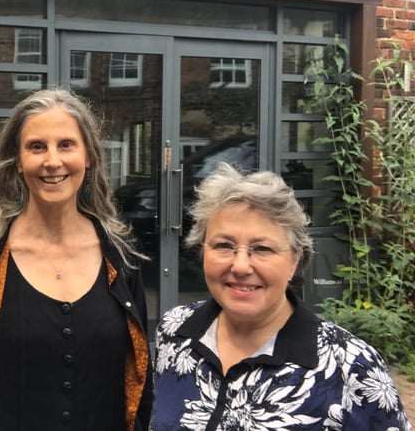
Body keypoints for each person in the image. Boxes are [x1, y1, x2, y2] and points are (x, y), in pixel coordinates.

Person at [0, 88, 152, 431]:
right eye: (37, 147)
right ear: (18, 161)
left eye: (66, 144)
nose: (52, 161)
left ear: (89, 156)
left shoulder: (121, 259)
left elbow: (140, 385)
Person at [150, 162, 411, 430]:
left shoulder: (350, 368)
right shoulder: (175, 332)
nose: (240, 266)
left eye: (262, 248)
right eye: (224, 245)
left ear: (295, 260)